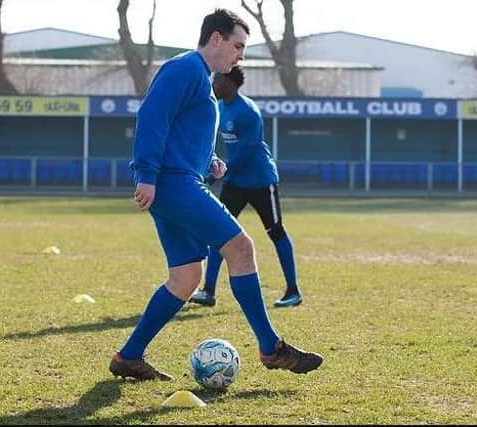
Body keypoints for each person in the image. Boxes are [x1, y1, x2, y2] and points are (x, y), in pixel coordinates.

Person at [109, 8, 323, 381]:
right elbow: (151, 116)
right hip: (174, 183)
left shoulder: (200, 77)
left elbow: (180, 127)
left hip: (180, 178)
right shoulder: (185, 68)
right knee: (241, 248)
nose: (241, 55)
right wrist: (145, 173)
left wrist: (208, 159)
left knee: (186, 277)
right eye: (238, 45)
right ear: (217, 38)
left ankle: (128, 357)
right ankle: (271, 347)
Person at [190, 66, 302, 309]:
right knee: (218, 231)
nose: (214, 85)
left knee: (276, 231)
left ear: (230, 83)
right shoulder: (220, 107)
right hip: (235, 182)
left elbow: (247, 152)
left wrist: (218, 173)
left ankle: (293, 291)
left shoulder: (248, 112)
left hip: (261, 180)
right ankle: (208, 291)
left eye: (217, 80)